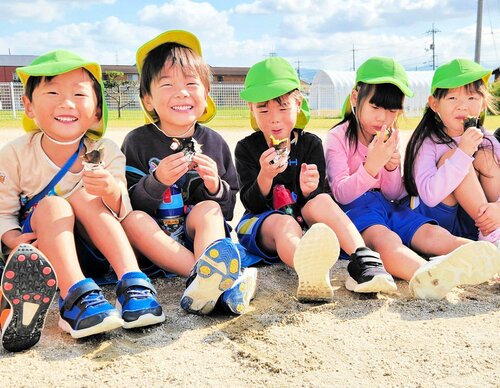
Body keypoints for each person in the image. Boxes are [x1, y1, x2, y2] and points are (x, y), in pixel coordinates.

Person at [0, 50, 164, 352]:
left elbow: (122, 210)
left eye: (79, 93)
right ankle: (74, 297)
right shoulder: (15, 154)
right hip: (45, 251)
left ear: (97, 111)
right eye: (52, 92)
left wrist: (110, 190)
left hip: (96, 250)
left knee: (87, 195)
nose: (66, 102)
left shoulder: (107, 150)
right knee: (53, 205)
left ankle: (133, 284)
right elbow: (3, 212)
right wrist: (13, 240)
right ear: (28, 105)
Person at [325, 56, 500, 300]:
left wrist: (389, 170)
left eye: (392, 111)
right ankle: (425, 273)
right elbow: (341, 194)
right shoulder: (338, 137)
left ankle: (489, 255)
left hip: (393, 207)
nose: (383, 118)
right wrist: (372, 167)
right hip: (358, 210)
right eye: (375, 107)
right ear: (356, 98)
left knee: (429, 233)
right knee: (386, 240)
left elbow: (396, 193)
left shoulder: (389, 136)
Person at [234, 56, 397, 303]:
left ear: (298, 104)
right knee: (284, 224)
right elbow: (251, 203)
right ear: (252, 109)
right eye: (263, 109)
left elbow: (318, 197)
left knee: (321, 201)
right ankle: (309, 269)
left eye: (282, 107)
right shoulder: (246, 148)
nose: (274, 118)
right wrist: (265, 176)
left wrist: (310, 189)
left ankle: (363, 259)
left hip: (304, 222)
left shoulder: (310, 144)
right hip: (262, 224)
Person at [121, 30, 257, 316]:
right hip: (155, 244)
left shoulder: (215, 142)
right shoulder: (137, 141)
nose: (181, 92)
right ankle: (204, 276)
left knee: (208, 208)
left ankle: (209, 277)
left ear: (206, 95)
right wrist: (157, 182)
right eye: (167, 84)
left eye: (191, 83)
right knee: (132, 220)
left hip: (200, 237)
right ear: (148, 100)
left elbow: (228, 209)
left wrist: (214, 186)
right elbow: (129, 203)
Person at [404, 58, 500, 245]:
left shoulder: (487, 139)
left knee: (486, 155)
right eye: (452, 98)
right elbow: (430, 197)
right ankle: (492, 233)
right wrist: (462, 154)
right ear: (434, 104)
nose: (462, 106)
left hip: (474, 223)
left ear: (482, 103)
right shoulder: (427, 143)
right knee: (453, 156)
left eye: (472, 98)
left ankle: (492, 230)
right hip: (438, 223)